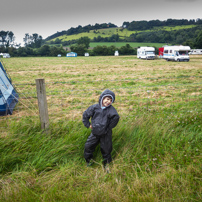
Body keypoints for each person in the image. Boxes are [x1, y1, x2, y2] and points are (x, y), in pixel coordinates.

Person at [82, 89, 120, 172]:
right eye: (107, 99)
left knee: (106, 149)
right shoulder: (94, 107)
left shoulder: (111, 110)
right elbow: (85, 115)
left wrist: (108, 128)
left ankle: (106, 164)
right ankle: (89, 161)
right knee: (88, 146)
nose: (108, 101)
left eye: (110, 100)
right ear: (102, 98)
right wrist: (88, 125)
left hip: (106, 134)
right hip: (95, 133)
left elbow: (116, 118)